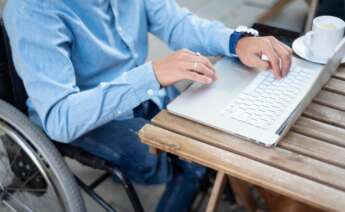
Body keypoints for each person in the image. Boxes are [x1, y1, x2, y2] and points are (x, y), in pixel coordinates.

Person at [3, 0, 292, 211]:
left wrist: (236, 41)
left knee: (209, 134)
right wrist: (151, 74)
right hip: (83, 116)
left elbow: (177, 23)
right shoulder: (32, 10)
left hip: (143, 92)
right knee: (186, 161)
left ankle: (208, 182)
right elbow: (60, 117)